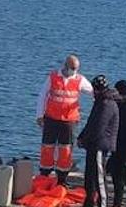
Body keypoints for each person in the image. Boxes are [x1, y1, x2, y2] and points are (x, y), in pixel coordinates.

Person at [36, 55, 94, 184]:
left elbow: (93, 92)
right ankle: (44, 175)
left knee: (66, 149)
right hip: (51, 118)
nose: (74, 71)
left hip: (69, 121)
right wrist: (39, 115)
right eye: (72, 68)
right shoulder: (53, 77)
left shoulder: (80, 80)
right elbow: (42, 95)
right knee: (47, 147)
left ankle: (62, 178)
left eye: (76, 68)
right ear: (65, 66)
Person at [73, 75, 118, 207]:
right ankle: (88, 205)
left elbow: (99, 127)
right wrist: (82, 137)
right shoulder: (99, 102)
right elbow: (91, 123)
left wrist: (86, 140)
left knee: (99, 178)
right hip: (93, 143)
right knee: (89, 177)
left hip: (100, 144)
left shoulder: (107, 104)